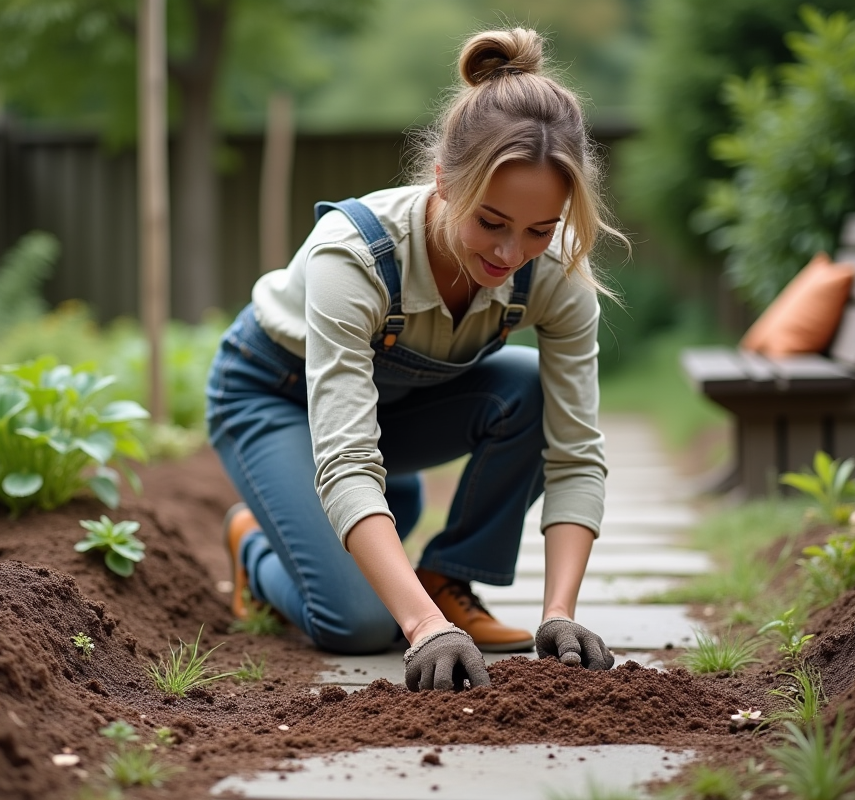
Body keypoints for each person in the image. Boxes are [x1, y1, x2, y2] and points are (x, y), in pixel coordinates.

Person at [205, 26, 623, 692]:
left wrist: (558, 612)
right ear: (443, 182)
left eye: (539, 229)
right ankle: (254, 542)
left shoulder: (555, 269)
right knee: (362, 624)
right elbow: (345, 455)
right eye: (491, 222)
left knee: (528, 388)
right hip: (275, 396)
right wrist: (422, 630)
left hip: (389, 409)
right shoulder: (354, 253)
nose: (512, 254)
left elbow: (574, 453)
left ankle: (446, 580)